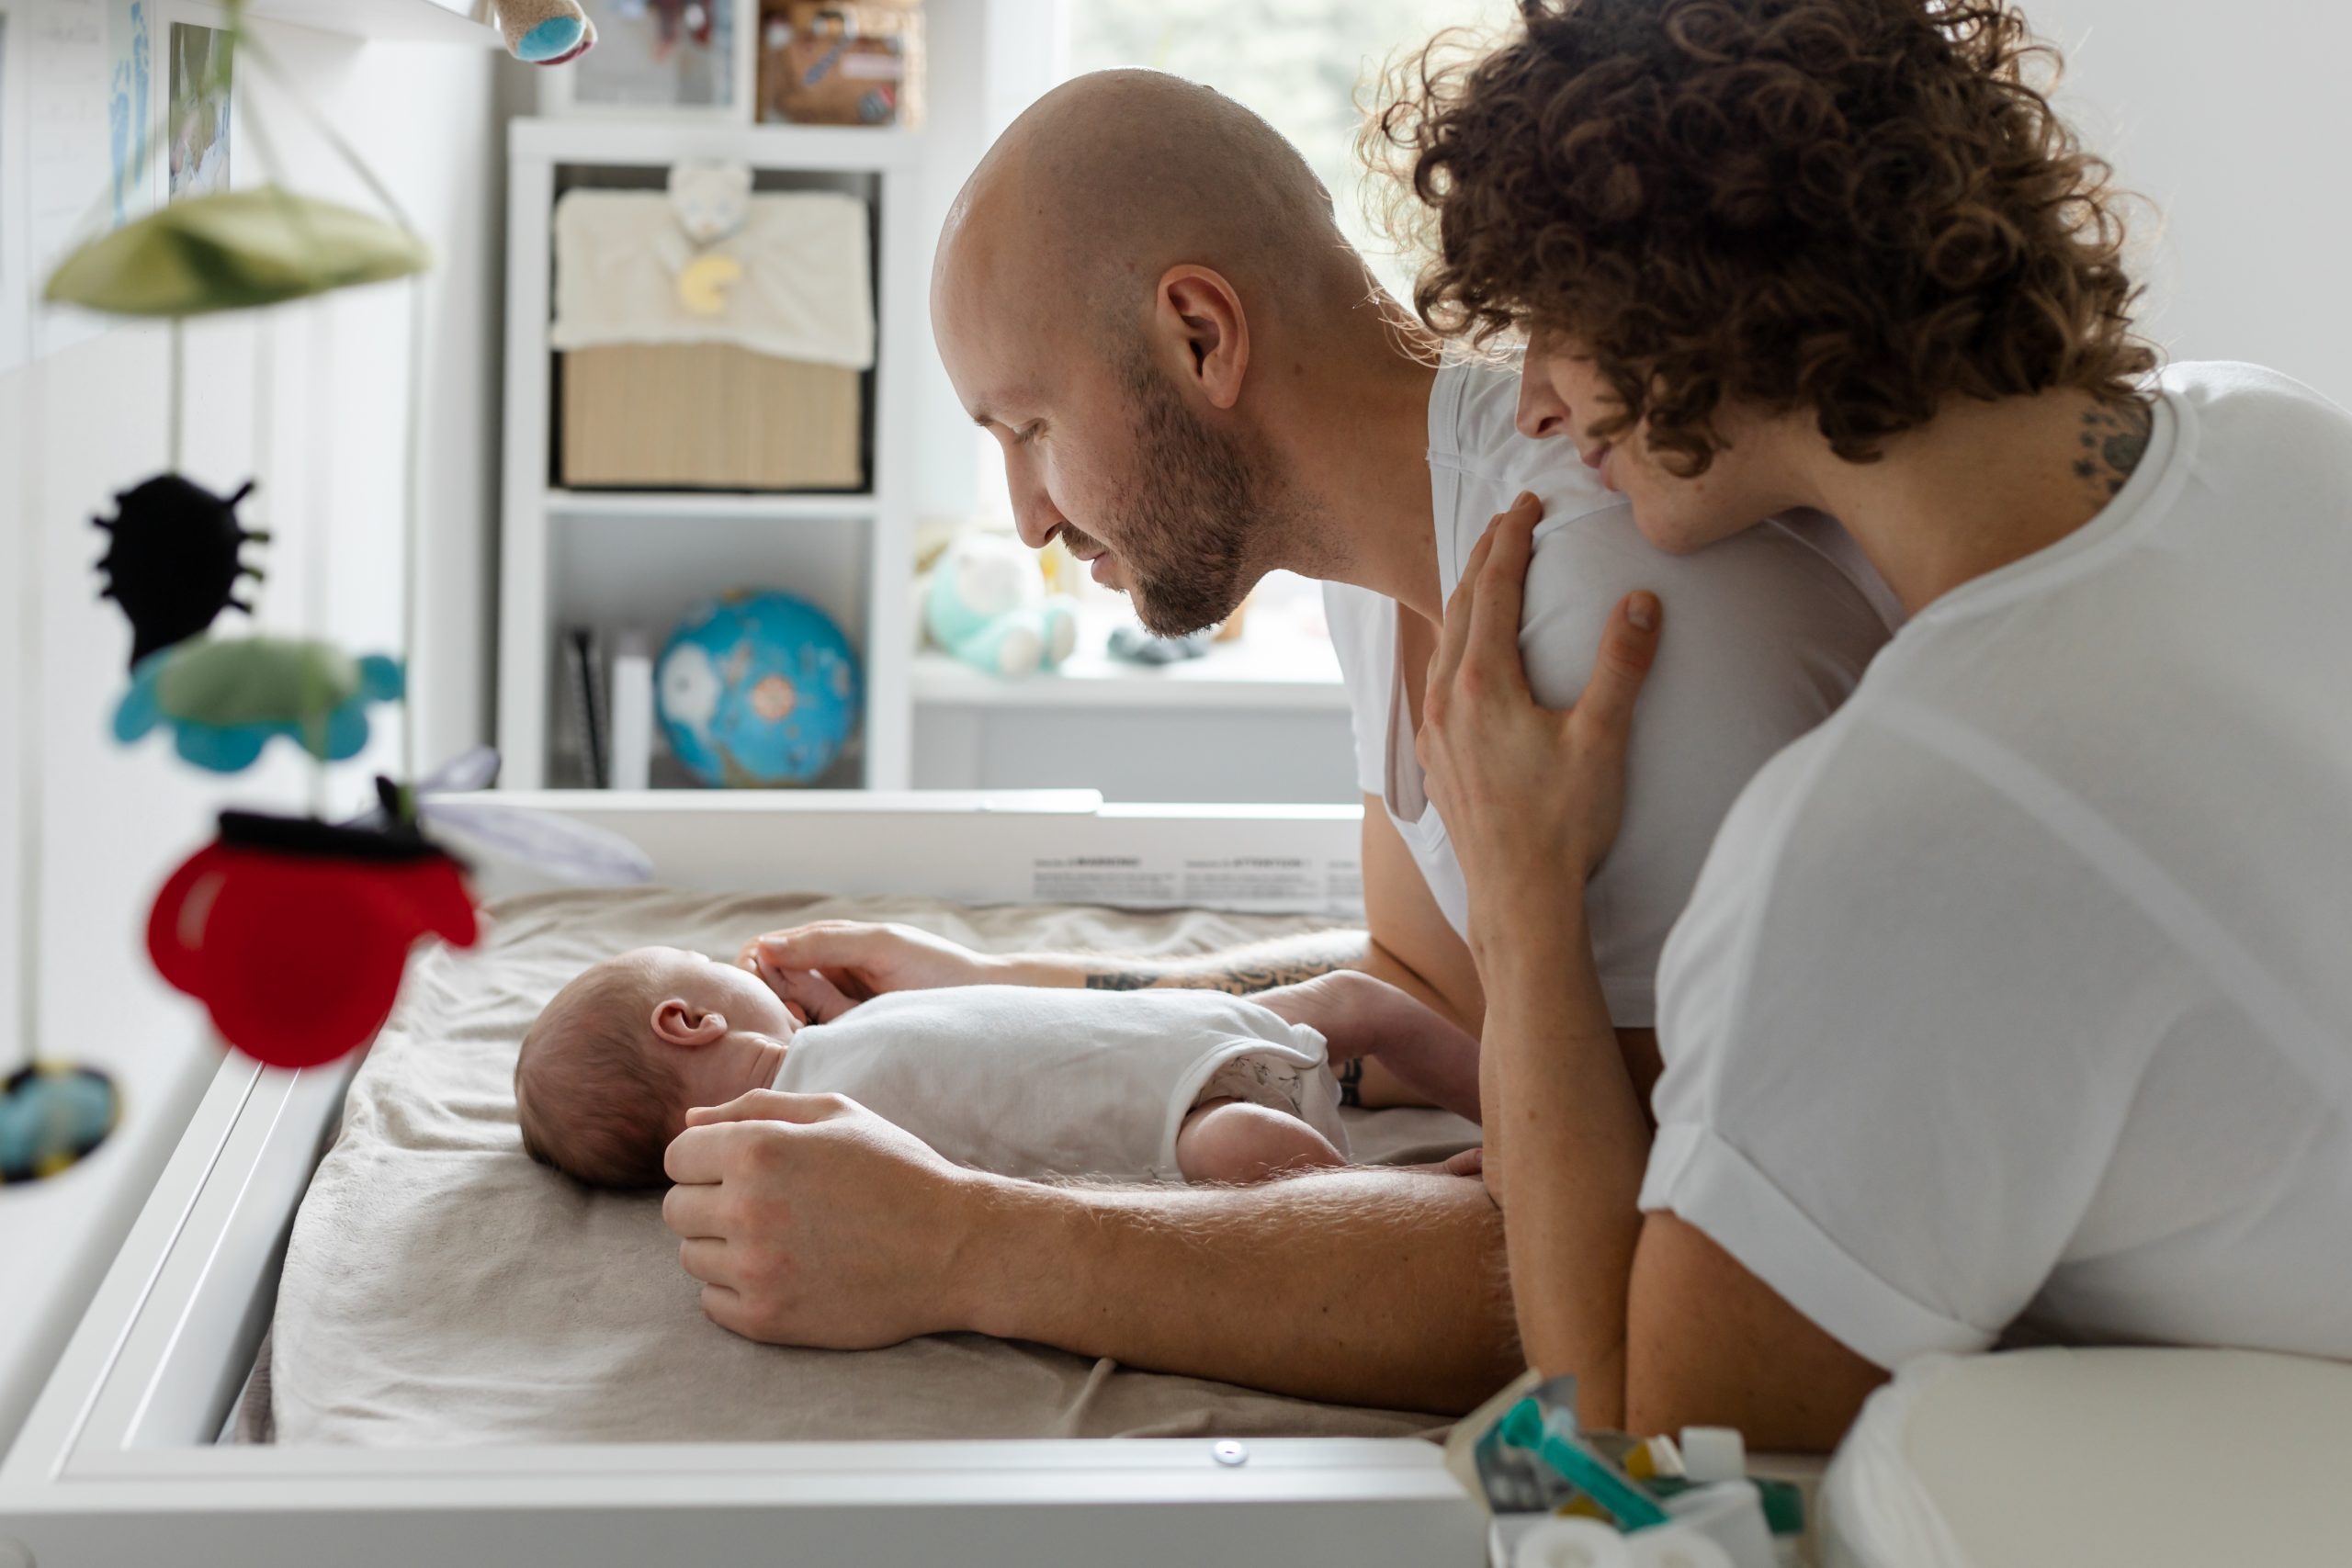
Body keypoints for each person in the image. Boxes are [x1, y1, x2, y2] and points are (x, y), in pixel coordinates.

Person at [657, 67, 1892, 1416]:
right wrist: (1019, 987)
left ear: (1200, 336)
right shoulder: (1401, 556)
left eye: (1029, 427)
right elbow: (1423, 984)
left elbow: (1602, 1273)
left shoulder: (1614, 610)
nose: (1023, 516)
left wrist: (962, 1238)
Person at [1376, 0, 2352, 1451]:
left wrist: (1522, 906)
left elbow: (1643, 1474)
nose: (1530, 404)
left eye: (1548, 324)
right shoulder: (2284, 436)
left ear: (1686, 290)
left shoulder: (1889, 837)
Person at [514, 945, 1479, 1189]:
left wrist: (837, 1006)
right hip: (1165, 1120)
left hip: (1190, 1029)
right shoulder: (794, 1124)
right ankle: (1415, 1195)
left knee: (1355, 1000)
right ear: (686, 1021)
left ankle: (1519, 1108)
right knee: (1250, 1153)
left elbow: (941, 1034)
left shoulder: (826, 1046)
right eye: (718, 972)